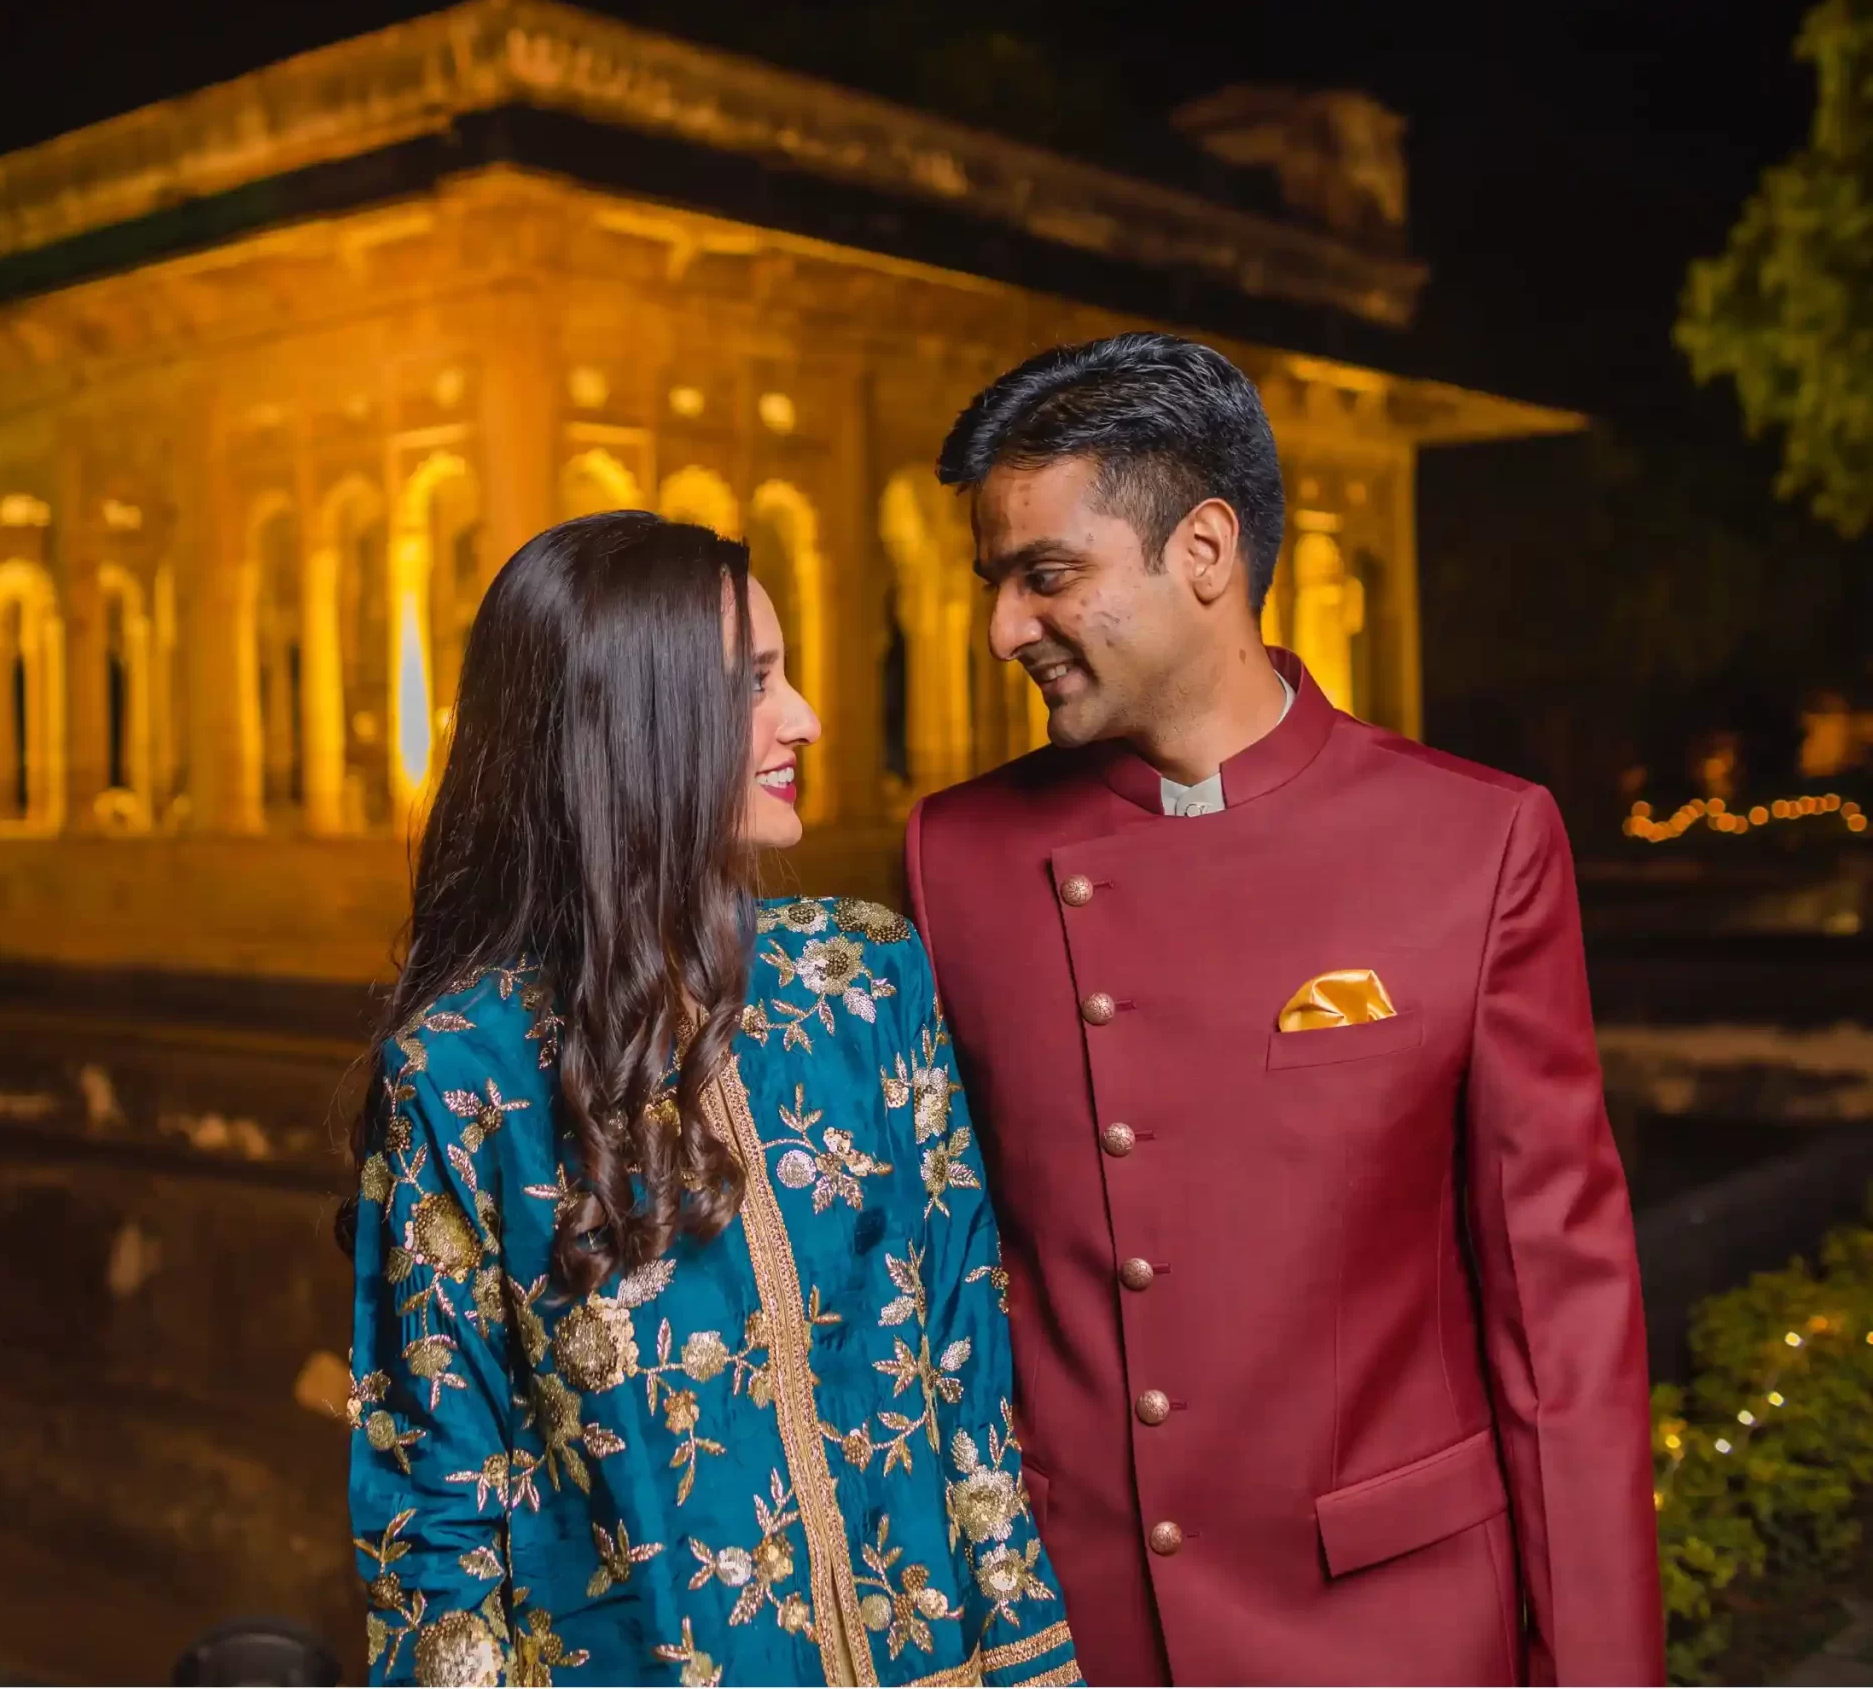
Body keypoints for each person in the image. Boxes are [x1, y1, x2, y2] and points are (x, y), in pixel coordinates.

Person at [905, 332, 1663, 1685]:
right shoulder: (955, 857)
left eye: (1047, 574)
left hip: (1395, 1631)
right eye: (995, 581)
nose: (1004, 625)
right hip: (1073, 1639)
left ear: (1203, 552)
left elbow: (1564, 1327)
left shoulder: (1476, 842)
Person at [345, 513, 1078, 1687]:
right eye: (754, 685)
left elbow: (963, 1372)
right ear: (634, 723)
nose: (805, 722)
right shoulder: (461, 1074)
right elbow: (437, 1502)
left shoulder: (863, 982)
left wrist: (1031, 1666)